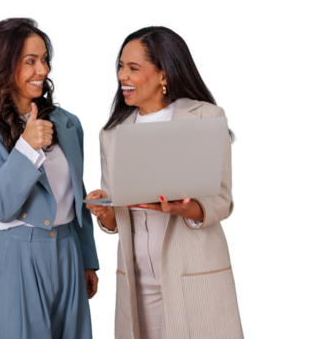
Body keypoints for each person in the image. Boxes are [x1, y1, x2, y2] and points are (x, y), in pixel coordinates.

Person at [85, 24, 243, 339]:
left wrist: (186, 209)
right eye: (120, 67)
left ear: (163, 75)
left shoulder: (207, 117)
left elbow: (223, 203)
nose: (121, 76)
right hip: (137, 279)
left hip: (192, 274)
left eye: (133, 68)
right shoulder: (111, 133)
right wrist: (105, 213)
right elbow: (117, 217)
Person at [0, 17, 101, 339]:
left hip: (68, 250)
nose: (43, 70)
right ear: (4, 66)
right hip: (17, 258)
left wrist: (88, 259)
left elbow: (75, 194)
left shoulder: (68, 121)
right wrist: (26, 146)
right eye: (30, 61)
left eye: (44, 60)